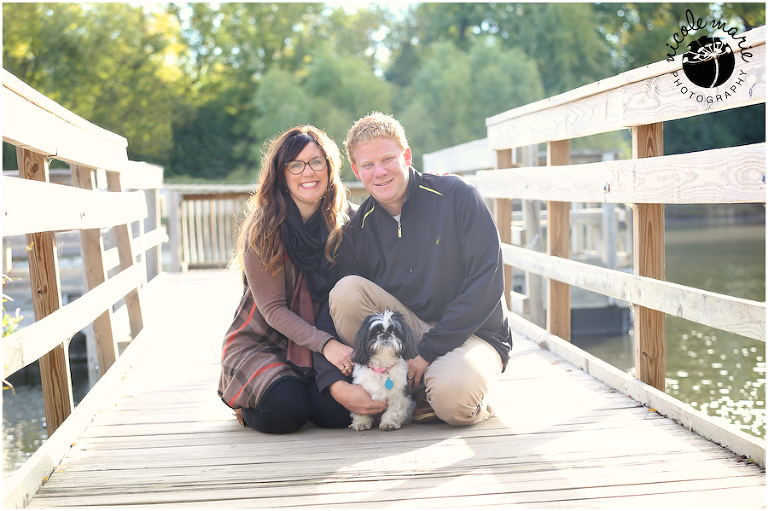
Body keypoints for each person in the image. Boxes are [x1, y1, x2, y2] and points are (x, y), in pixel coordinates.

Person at [314, 112, 513, 426]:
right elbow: (328, 310)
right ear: (356, 170)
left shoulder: (457, 196)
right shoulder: (359, 228)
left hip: (473, 334)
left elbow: (487, 283)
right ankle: (412, 392)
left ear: (406, 155)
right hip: (406, 332)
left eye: (388, 159)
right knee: (344, 291)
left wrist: (429, 352)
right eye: (368, 165)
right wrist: (332, 382)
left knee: (454, 402)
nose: (379, 173)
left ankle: (462, 393)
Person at [218, 125, 385, 434]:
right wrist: (328, 345)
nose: (307, 172)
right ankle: (245, 405)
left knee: (335, 416)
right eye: (296, 164)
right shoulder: (264, 228)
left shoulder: (346, 220)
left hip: (321, 343)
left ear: (330, 167)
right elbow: (274, 311)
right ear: (282, 173)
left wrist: (427, 194)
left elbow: (388, 224)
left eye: (316, 161)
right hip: (265, 340)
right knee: (285, 412)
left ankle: (304, 390)